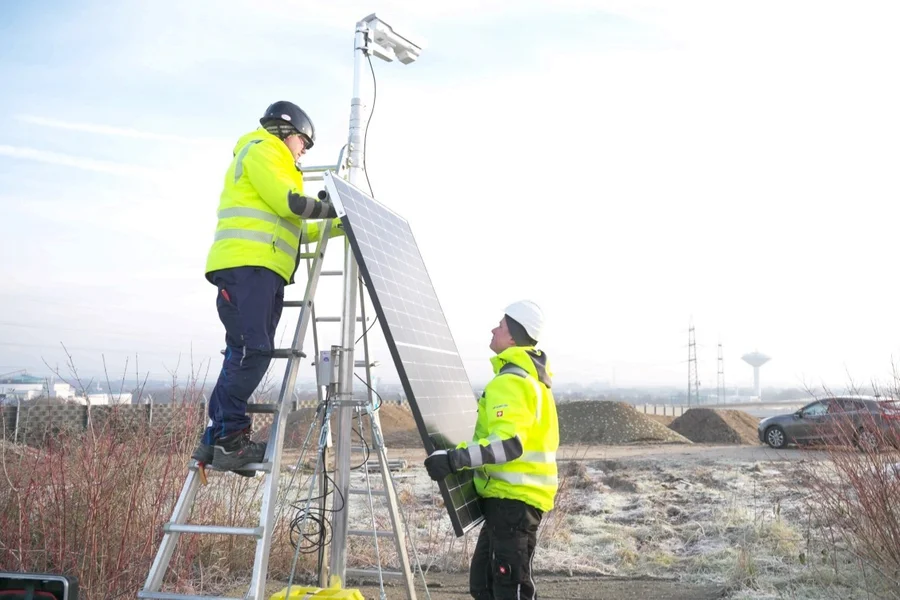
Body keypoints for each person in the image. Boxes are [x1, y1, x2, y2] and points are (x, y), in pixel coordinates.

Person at [191, 100, 343, 476]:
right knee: (252, 351)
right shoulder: (263, 150)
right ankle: (230, 440)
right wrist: (334, 207)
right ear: (284, 131)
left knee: (244, 351)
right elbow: (289, 204)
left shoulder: (278, 162)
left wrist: (341, 224)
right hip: (247, 265)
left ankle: (216, 440)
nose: (305, 150)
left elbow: (297, 226)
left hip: (264, 268)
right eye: (303, 141)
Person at [424, 300, 559, 600]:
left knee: (510, 591)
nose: (493, 330)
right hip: (508, 503)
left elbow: (508, 445)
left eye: (500, 325)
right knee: (484, 586)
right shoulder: (532, 381)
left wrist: (453, 459)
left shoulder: (511, 382)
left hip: (513, 504)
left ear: (512, 337)